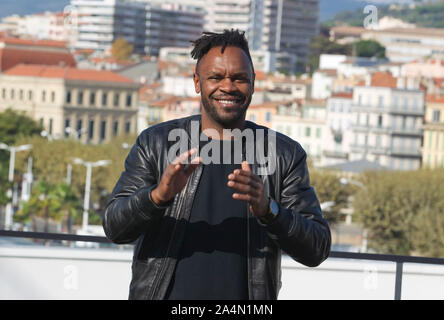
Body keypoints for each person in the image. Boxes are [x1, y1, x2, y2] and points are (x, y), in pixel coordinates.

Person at [103, 29, 331, 300]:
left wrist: (269, 210)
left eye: (239, 78)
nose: (228, 87)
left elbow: (317, 248)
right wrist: (158, 196)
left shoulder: (284, 155)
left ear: (253, 83)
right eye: (216, 77)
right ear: (197, 82)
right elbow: (114, 227)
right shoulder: (156, 143)